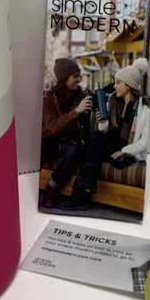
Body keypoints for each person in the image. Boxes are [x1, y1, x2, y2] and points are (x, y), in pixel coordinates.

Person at [65, 57, 150, 210]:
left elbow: (144, 142)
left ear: (129, 85)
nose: (114, 86)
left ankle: (79, 199)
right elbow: (105, 130)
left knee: (91, 151)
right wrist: (102, 121)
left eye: (118, 82)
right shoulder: (113, 102)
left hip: (127, 150)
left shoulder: (145, 109)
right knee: (96, 137)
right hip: (111, 146)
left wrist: (124, 151)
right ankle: (85, 190)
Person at [40, 57, 93, 208]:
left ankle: (50, 191)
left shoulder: (81, 95)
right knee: (41, 145)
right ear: (64, 79)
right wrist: (76, 111)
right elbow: (54, 127)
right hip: (49, 141)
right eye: (75, 76)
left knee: (74, 150)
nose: (79, 79)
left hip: (70, 143)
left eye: (79, 75)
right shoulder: (48, 99)